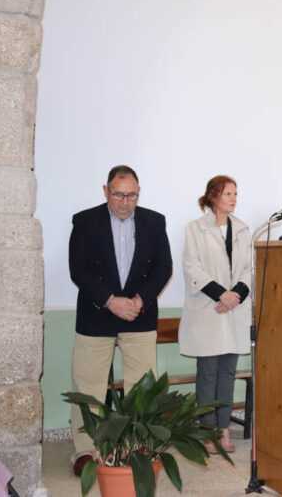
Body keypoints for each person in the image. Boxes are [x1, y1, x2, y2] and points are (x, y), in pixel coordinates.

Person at [68, 165, 172, 475]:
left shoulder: (155, 221)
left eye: (132, 195)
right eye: (118, 195)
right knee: (89, 386)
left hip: (139, 315)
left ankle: (138, 447)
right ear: (105, 191)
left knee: (143, 386)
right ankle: (86, 451)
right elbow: (78, 269)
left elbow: (163, 267)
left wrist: (139, 300)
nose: (125, 202)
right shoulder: (85, 221)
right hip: (97, 313)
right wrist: (111, 301)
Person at [179, 175, 251, 454]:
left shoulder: (242, 229)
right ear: (213, 196)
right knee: (208, 375)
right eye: (228, 193)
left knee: (228, 374)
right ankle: (206, 432)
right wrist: (221, 294)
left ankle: (224, 431)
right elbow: (192, 267)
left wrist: (235, 296)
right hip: (208, 310)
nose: (233, 198)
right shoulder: (195, 229)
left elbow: (249, 269)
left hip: (234, 310)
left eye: (236, 193)